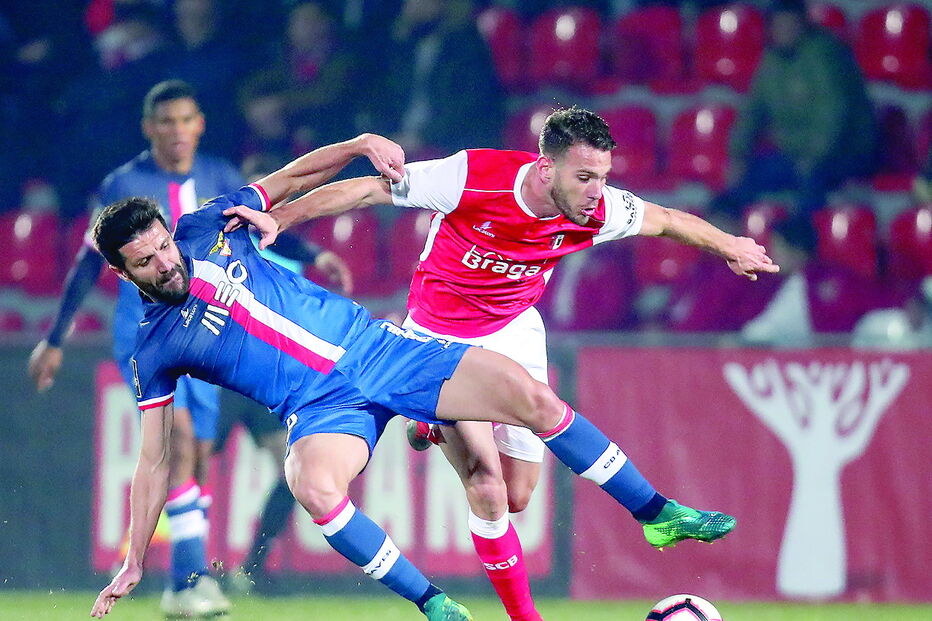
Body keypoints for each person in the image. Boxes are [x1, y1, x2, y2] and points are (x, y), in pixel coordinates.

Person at [88, 132, 766, 619]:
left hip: (383, 350)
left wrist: (356, 143)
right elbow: (154, 460)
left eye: (164, 247)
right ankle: (435, 603)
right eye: (146, 262)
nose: (166, 263)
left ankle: (655, 512)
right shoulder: (153, 349)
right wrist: (137, 559)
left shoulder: (208, 227)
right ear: (121, 273)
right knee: (312, 483)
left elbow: (289, 180)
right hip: (320, 406)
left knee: (532, 399)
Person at [27, 79, 349, 618]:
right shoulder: (124, 183)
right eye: (166, 122)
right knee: (175, 444)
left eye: (186, 121)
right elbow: (90, 260)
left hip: (211, 329)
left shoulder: (219, 176)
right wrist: (55, 337)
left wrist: (313, 254)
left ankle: (183, 581)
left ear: (199, 124)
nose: (177, 132)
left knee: (196, 454)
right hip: (151, 333)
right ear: (150, 128)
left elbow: (252, 227)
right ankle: (196, 578)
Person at [710, 0, 877, 223]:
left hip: (843, 153)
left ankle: (800, 242)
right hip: (795, 154)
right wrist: (738, 154)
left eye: (790, 26)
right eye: (779, 26)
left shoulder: (824, 55)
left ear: (803, 25)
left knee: (811, 181)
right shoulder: (771, 61)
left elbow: (834, 114)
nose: (784, 32)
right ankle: (730, 234)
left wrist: (812, 157)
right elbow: (752, 111)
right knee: (748, 176)